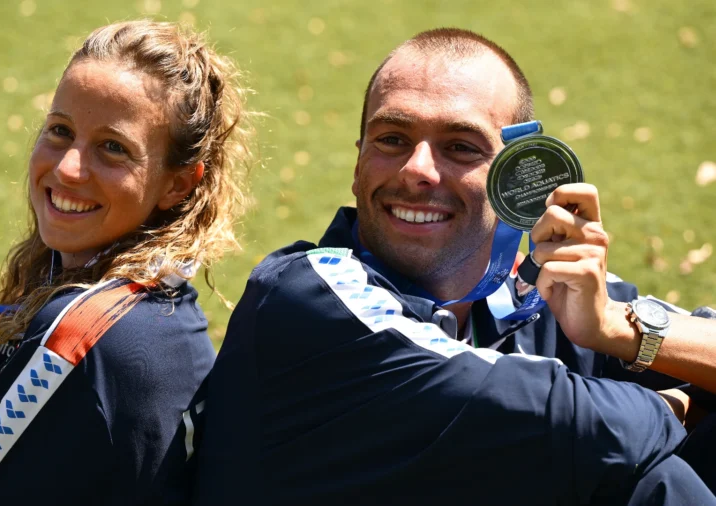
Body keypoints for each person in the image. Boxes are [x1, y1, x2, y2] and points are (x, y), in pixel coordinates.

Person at [194, 28, 716, 505]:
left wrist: (615, 329)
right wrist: (684, 404)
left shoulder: (540, 295)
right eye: (392, 139)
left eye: (460, 147)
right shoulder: (307, 296)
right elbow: (578, 422)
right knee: (654, 484)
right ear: (358, 162)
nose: (418, 169)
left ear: (514, 178)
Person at [0, 20, 251, 506]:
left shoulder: (90, 338)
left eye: (114, 147)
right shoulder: (126, 292)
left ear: (178, 184)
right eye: (61, 130)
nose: (68, 168)